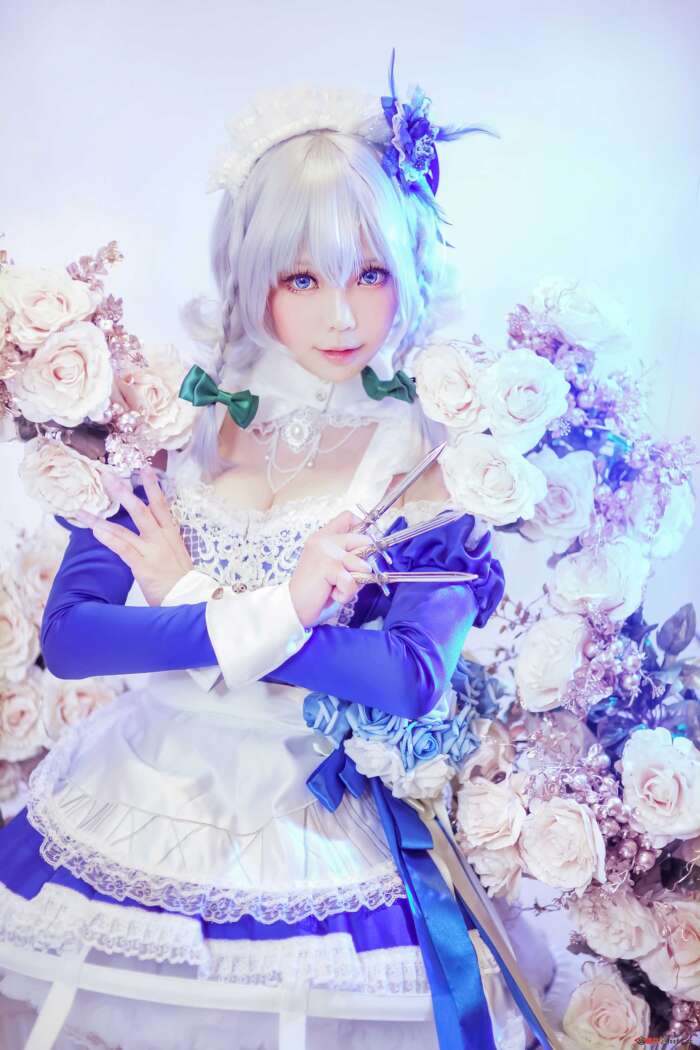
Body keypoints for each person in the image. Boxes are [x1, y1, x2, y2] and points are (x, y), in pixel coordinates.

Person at [0, 54, 557, 1050]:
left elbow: (408, 676)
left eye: (371, 273)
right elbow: (75, 639)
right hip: (139, 795)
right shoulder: (167, 420)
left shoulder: (435, 458)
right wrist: (272, 609)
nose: (341, 314)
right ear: (251, 277)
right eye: (302, 277)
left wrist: (193, 595)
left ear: (411, 268)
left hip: (311, 824)